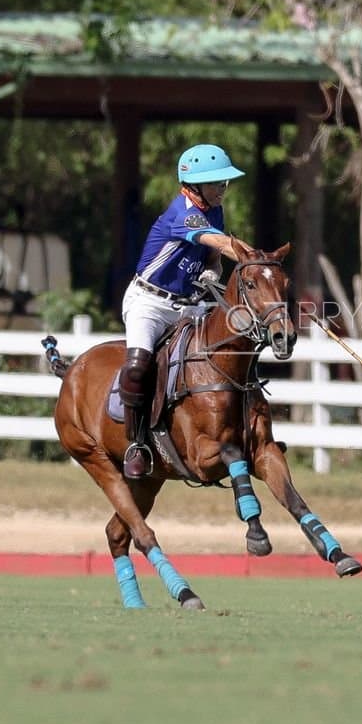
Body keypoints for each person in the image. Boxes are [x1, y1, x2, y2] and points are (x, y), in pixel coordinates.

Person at [118, 143, 252, 479]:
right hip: (149, 303)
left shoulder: (214, 212)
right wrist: (255, 258)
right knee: (137, 366)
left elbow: (214, 257)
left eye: (225, 183)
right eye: (217, 183)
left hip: (187, 304)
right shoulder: (184, 212)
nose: (223, 189)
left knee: (230, 344)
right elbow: (220, 243)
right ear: (194, 186)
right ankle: (136, 444)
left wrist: (213, 272)